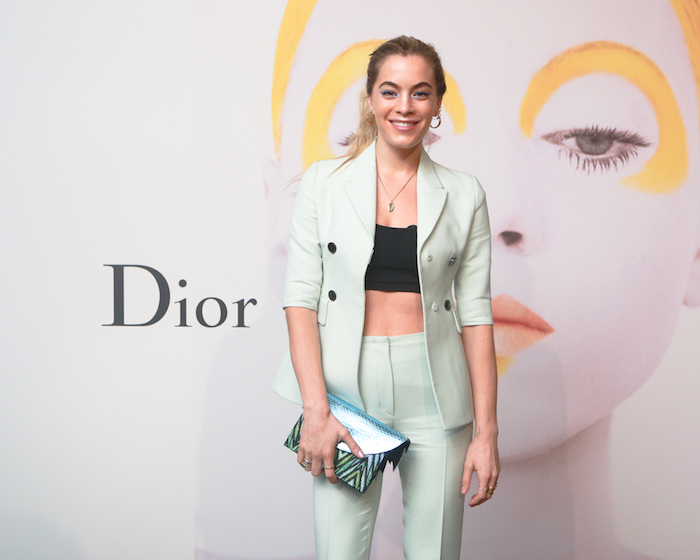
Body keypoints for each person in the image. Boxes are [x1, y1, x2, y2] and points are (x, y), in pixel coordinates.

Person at [273, 36, 500, 560]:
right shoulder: (324, 184)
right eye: (391, 91)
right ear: (371, 98)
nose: (405, 106)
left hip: (437, 391)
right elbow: (300, 300)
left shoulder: (465, 193)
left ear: (437, 104)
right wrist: (315, 409)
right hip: (345, 391)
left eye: (420, 92)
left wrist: (487, 433)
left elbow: (476, 316)